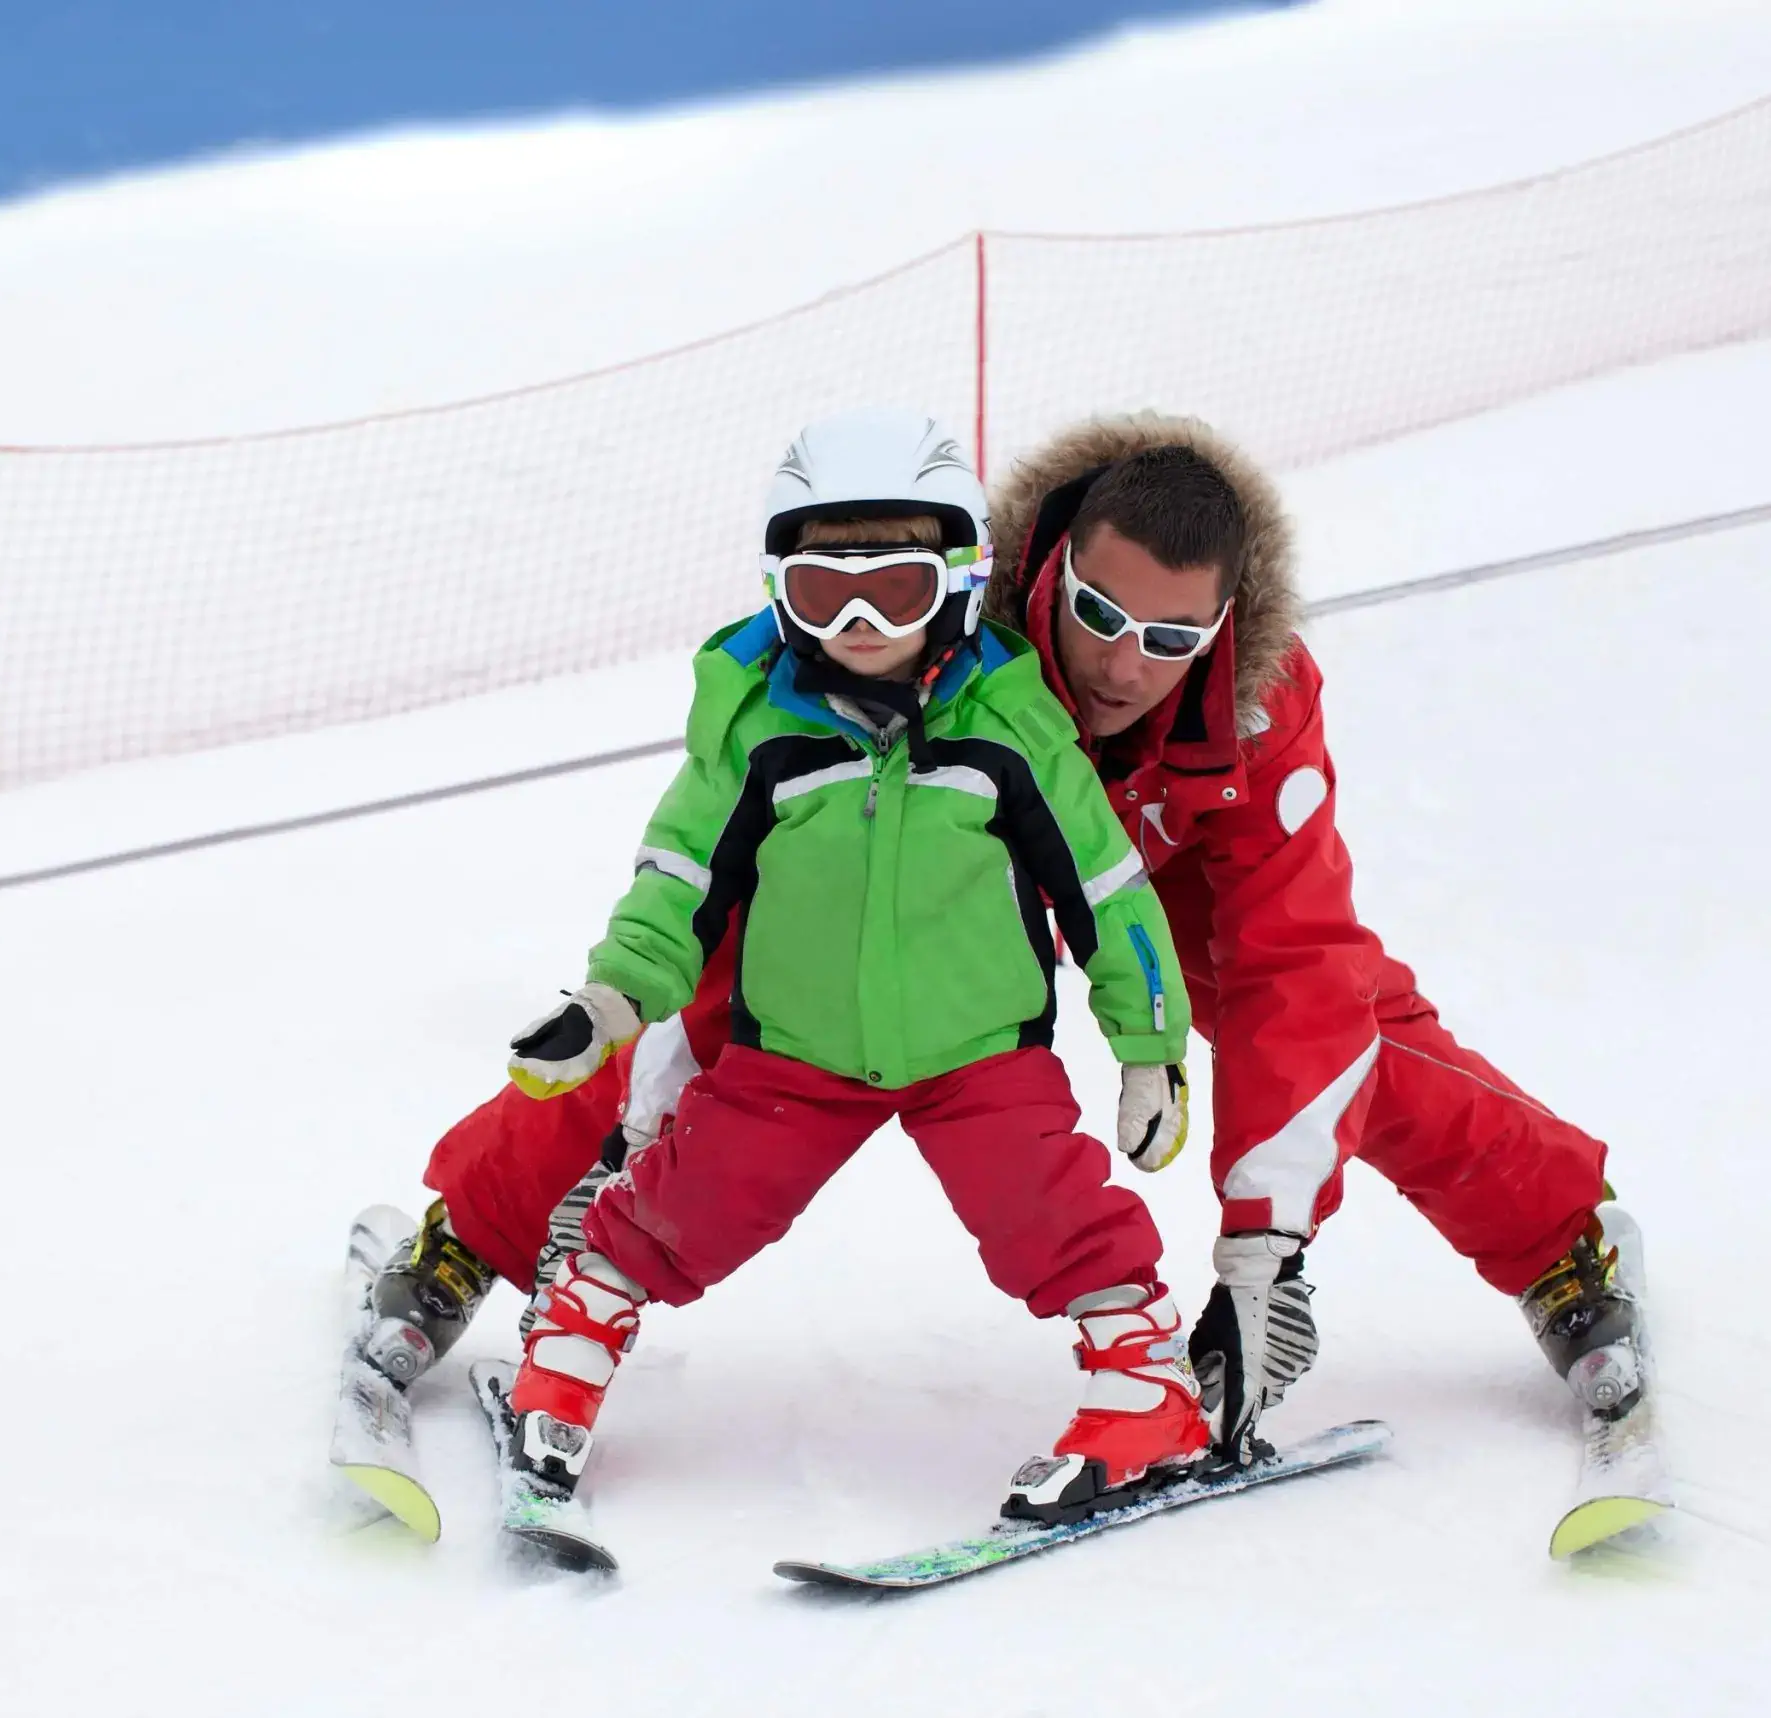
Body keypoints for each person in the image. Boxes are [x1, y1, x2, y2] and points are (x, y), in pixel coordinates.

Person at [359, 408, 1634, 1486]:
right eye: (1099, 615)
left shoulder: (1257, 703)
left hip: (1151, 877)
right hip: (925, 848)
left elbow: (1297, 967)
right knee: (708, 987)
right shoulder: (954, 627)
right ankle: (471, 1232)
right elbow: (696, 882)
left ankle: (1561, 1244)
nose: (1128, 662)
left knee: (1339, 1022)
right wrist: (641, 1124)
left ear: (1225, 621)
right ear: (1045, 571)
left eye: (1173, 639)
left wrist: (1266, 1248)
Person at [487, 407, 1208, 1524]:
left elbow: (1108, 893)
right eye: (826, 593)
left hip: (980, 1054)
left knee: (1053, 1214)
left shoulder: (1008, 730)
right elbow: (678, 878)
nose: (862, 622)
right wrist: (613, 997)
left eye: (899, 591)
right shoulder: (759, 731)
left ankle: (1144, 1392)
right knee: (686, 1207)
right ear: (781, 587)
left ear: (960, 583)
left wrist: (1150, 1049)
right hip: (797, 1053)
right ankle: (568, 1348)